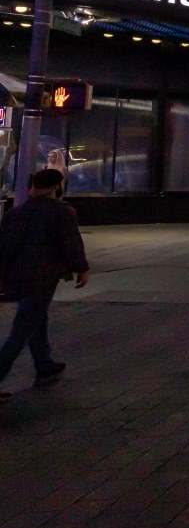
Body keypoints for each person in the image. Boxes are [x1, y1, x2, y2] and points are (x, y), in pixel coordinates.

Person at [0, 168, 90, 401]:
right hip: (42, 278)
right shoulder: (62, 213)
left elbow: (5, 248)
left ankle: (44, 364)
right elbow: (71, 243)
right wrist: (81, 269)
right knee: (21, 330)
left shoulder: (16, 213)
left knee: (36, 318)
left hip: (17, 277)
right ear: (55, 188)